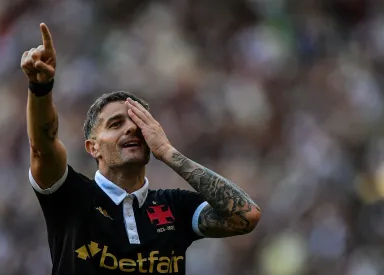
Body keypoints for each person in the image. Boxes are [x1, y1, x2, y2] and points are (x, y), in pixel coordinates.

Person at [21, 23, 261, 275]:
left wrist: (169, 153)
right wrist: (40, 88)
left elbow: (247, 215)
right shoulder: (73, 197)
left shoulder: (174, 207)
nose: (131, 129)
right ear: (93, 148)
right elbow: (42, 148)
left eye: (139, 123)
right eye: (116, 124)